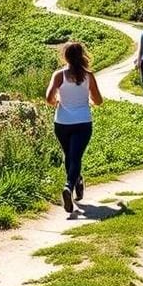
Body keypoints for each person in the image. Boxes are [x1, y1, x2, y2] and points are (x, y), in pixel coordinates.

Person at [46, 41, 103, 213]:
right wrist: (89, 101)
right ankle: (69, 186)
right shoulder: (88, 76)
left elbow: (49, 98)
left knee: (69, 155)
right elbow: (99, 100)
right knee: (75, 157)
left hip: (62, 122)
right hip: (83, 122)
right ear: (82, 55)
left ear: (65, 56)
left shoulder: (59, 75)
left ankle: (76, 183)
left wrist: (58, 101)